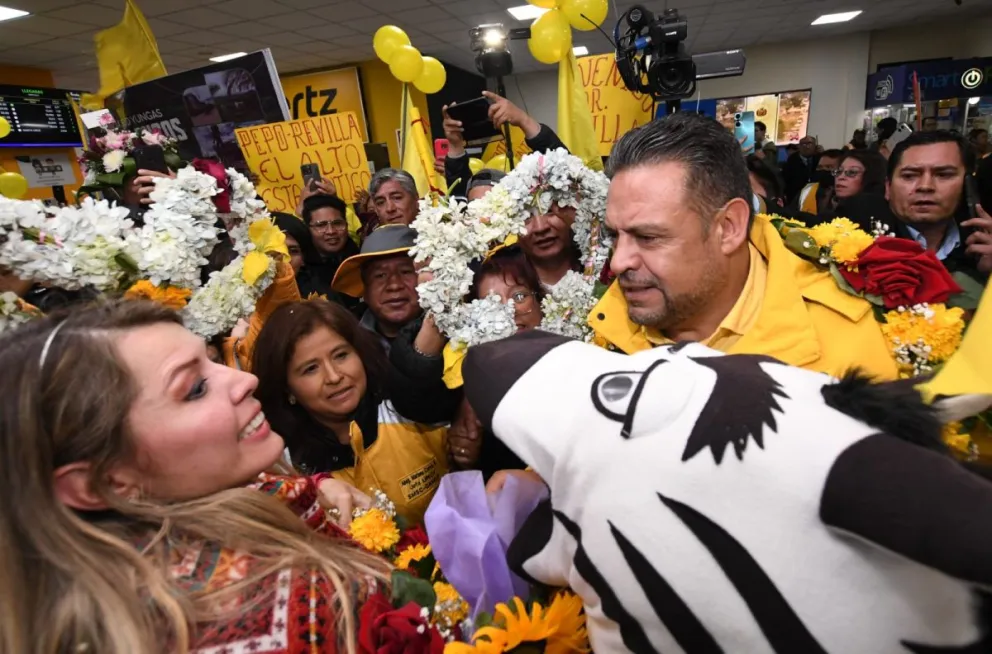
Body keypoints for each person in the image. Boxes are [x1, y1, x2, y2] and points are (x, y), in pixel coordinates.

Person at [0, 300, 390, 654]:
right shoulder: (272, 615)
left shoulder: (226, 495)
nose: (245, 381)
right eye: (195, 388)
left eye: (211, 361)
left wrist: (317, 485)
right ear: (105, 483)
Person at [588, 112, 899, 380]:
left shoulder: (852, 351)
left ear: (729, 227)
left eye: (648, 237)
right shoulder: (599, 328)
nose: (618, 262)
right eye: (614, 236)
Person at [252, 299, 453, 522]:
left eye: (341, 355)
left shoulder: (407, 408)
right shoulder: (285, 467)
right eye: (311, 369)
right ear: (287, 389)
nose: (334, 376)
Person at [883, 131, 990, 280]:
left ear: (968, 186)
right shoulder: (859, 242)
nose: (925, 186)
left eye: (943, 175)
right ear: (888, 188)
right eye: (909, 176)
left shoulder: (981, 245)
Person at [442, 92, 567, 197]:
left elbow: (565, 171)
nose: (486, 213)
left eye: (493, 202)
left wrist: (524, 120)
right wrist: (455, 145)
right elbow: (458, 197)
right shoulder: (467, 215)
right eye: (476, 204)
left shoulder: (530, 217)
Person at [331, 225, 422, 352]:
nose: (394, 285)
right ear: (365, 291)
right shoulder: (345, 341)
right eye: (380, 275)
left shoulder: (448, 337)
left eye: (405, 271)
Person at [806, 150, 888, 221]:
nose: (841, 177)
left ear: (872, 176)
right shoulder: (829, 200)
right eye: (839, 171)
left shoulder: (875, 213)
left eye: (852, 172)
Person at [794, 148, 844, 215]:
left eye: (829, 167)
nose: (823, 170)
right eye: (820, 167)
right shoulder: (807, 190)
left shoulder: (847, 192)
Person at [782, 135, 819, 204]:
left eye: (809, 143)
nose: (806, 146)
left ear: (815, 146)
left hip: (816, 196)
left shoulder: (820, 159)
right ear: (799, 146)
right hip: (795, 197)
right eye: (803, 144)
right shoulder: (791, 160)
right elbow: (785, 180)